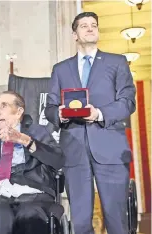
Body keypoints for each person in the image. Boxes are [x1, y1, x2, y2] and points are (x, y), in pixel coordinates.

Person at [45, 12, 136, 234]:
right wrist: (60, 115)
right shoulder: (61, 69)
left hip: (110, 149)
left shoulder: (117, 62)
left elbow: (128, 102)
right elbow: (49, 108)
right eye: (84, 26)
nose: (89, 29)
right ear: (74, 33)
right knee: (81, 222)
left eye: (93, 25)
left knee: (116, 221)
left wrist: (99, 114)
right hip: (74, 151)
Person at [0, 91, 64, 234]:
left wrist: (25, 141)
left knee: (30, 216)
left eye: (3, 106)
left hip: (32, 192)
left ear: (19, 112)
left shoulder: (38, 132)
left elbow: (58, 160)